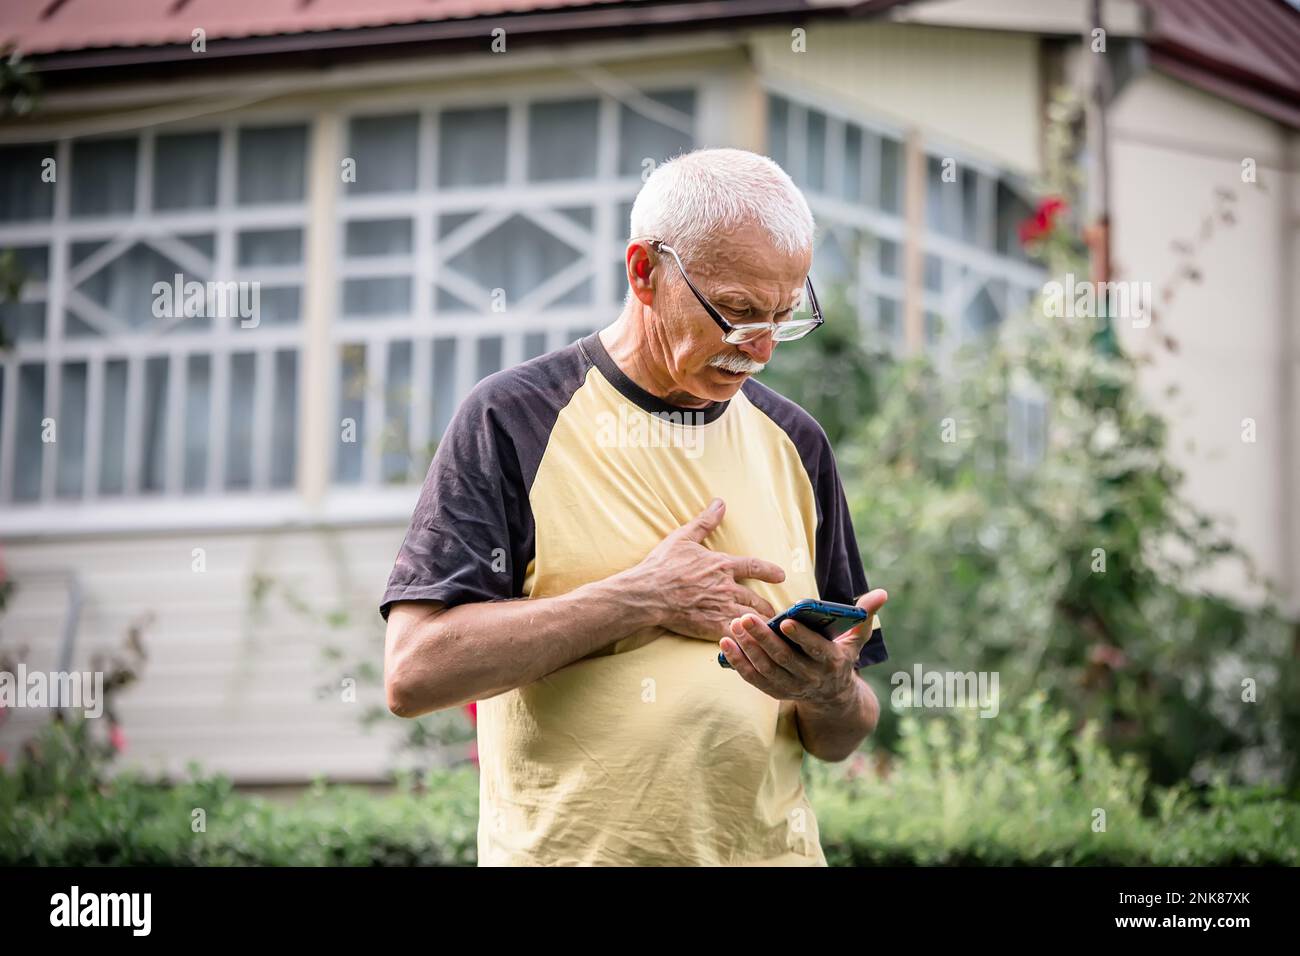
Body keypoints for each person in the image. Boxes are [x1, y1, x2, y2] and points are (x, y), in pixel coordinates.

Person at [381, 147, 889, 866]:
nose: (764, 349)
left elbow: (839, 737)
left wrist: (830, 689)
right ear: (644, 272)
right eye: (738, 314)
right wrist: (641, 597)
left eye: (785, 315)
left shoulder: (797, 443)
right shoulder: (512, 420)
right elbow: (413, 672)